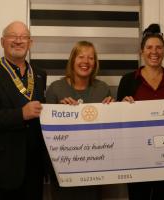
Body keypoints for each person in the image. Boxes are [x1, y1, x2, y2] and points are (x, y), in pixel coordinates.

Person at [0, 21, 47, 200]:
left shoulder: (40, 74)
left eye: (24, 37)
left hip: (34, 170)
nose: (18, 41)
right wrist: (20, 114)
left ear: (30, 42)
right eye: (13, 36)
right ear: (2, 41)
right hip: (1, 173)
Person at [116, 23, 164, 200]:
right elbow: (117, 121)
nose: (154, 52)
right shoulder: (128, 80)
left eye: (159, 47)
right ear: (142, 51)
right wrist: (122, 106)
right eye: (149, 47)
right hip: (136, 158)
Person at [45, 40, 113, 200]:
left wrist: (114, 109)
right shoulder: (55, 88)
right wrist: (60, 112)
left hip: (95, 167)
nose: (85, 62)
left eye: (90, 58)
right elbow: (46, 133)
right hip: (63, 168)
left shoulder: (103, 89)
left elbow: (111, 131)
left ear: (95, 63)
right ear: (73, 60)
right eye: (81, 56)